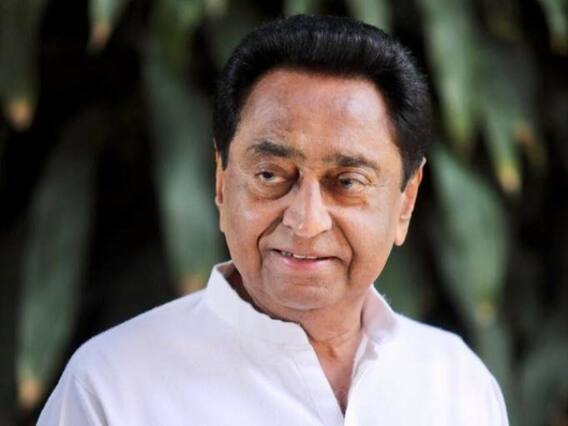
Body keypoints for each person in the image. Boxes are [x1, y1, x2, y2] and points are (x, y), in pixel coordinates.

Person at [38, 14, 508, 425]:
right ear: (222, 181)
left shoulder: (455, 385)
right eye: (270, 175)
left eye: (347, 182)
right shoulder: (110, 389)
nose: (306, 221)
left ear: (406, 201)